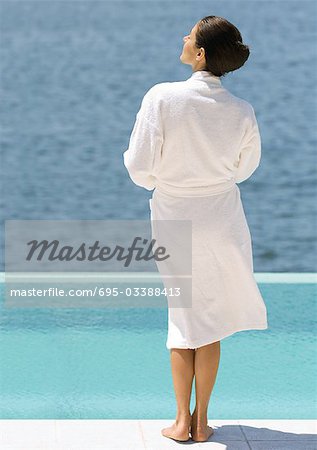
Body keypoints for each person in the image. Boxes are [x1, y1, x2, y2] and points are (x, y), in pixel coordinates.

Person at [123, 15, 268, 443]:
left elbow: (139, 166)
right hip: (223, 220)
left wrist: (162, 182)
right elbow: (245, 169)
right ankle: (203, 420)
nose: (184, 38)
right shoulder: (242, 110)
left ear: (200, 53)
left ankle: (182, 422)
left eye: (190, 36)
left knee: (183, 318)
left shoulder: (162, 98)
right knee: (211, 320)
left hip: (175, 218)